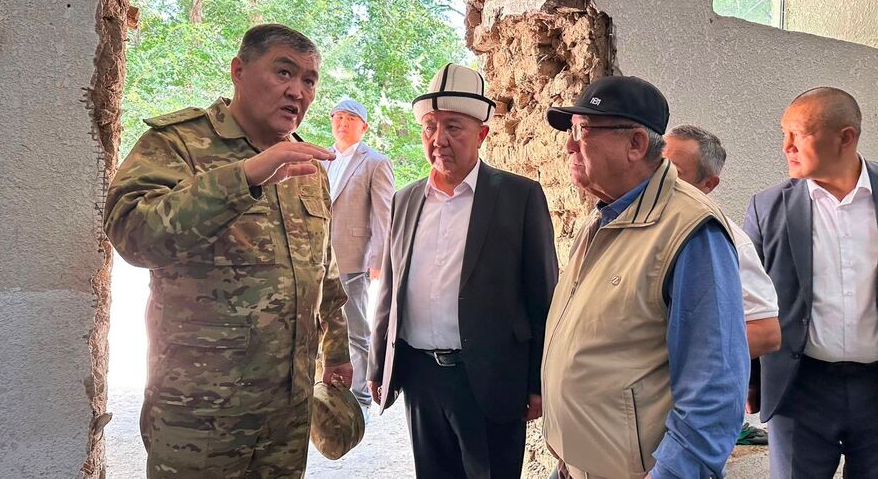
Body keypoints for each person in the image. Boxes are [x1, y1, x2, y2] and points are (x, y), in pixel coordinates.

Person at [103, 24, 352, 478]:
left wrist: (336, 350)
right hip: (200, 412)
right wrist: (245, 177)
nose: (297, 91)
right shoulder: (178, 143)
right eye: (283, 72)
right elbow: (133, 235)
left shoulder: (308, 163)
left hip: (287, 410)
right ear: (239, 71)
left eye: (309, 80)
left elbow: (323, 269)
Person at [542, 76, 749, 479]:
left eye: (582, 131)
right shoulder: (603, 218)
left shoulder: (691, 230)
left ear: (636, 144)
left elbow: (714, 388)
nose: (569, 145)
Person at [367, 63, 558, 479]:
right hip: (420, 377)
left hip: (490, 377)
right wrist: (378, 363)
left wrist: (538, 382)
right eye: (430, 127)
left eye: (453, 127)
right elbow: (390, 290)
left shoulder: (519, 197)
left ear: (482, 134)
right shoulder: (405, 200)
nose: (438, 139)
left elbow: (542, 295)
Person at [744, 87, 878, 478]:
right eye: (783, 134)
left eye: (798, 134)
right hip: (799, 390)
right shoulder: (767, 207)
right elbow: (749, 300)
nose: (786, 146)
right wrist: (751, 382)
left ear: (845, 137)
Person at [663, 124, 782, 447]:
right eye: (656, 165)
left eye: (674, 172)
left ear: (708, 184)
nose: (659, 178)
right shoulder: (624, 225)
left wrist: (669, 359)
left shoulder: (726, 239)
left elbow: (766, 332)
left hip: (678, 419)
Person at [323, 98, 394, 419]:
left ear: (363, 127)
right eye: (338, 117)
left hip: (353, 260)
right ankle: (326, 391)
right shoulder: (320, 159)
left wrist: (379, 259)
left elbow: (384, 215)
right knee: (319, 328)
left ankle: (361, 398)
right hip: (317, 261)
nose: (342, 123)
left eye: (350, 118)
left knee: (356, 330)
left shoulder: (375, 162)